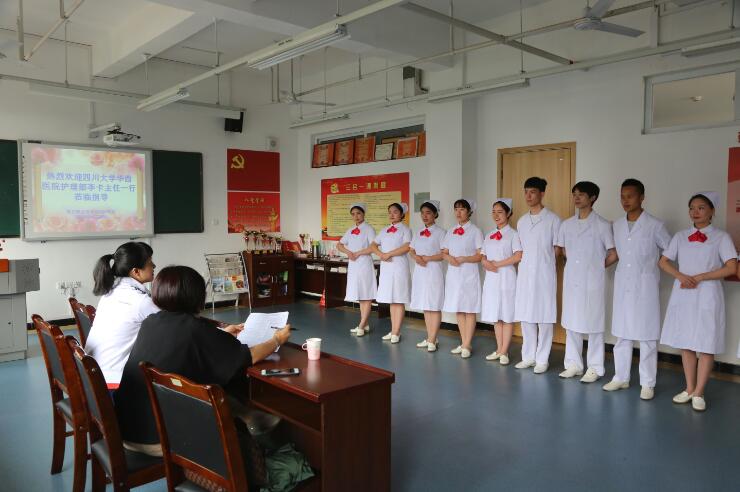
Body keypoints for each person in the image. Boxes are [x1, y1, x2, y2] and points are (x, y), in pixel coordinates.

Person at [114, 266, 292, 486]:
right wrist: (277, 339)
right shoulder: (194, 329)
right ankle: (250, 434)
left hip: (128, 429)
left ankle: (248, 416)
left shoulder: (152, 321)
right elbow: (249, 356)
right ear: (197, 296)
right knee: (221, 390)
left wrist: (221, 334)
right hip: (159, 439)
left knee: (212, 387)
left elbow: (183, 344)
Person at [658, 192, 737, 412]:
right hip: (684, 292)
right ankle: (689, 388)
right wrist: (680, 276)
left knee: (706, 342)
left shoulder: (721, 237)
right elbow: (663, 262)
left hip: (708, 293)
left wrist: (701, 276)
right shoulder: (681, 236)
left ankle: (699, 392)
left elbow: (731, 267)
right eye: (692, 207)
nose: (695, 212)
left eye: (701, 207)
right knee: (686, 342)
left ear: (712, 211)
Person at [603, 179, 671, 400]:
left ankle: (647, 383)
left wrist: (651, 266)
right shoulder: (617, 225)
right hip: (624, 283)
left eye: (630, 196)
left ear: (642, 197)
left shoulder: (655, 225)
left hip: (645, 285)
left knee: (647, 335)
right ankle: (620, 377)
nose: (625, 200)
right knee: (622, 333)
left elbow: (670, 250)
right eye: (622, 196)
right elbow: (615, 252)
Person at [557, 181, 617, 383]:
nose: (576, 197)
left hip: (592, 282)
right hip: (572, 279)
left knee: (594, 323)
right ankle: (573, 364)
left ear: (593, 198)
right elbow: (564, 249)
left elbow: (613, 253)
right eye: (574, 194)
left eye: (581, 194)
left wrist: (596, 267)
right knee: (571, 322)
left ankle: (595, 367)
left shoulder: (602, 225)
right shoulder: (566, 225)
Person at [85, 242, 159, 389]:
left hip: (93, 377)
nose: (154, 266)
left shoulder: (112, 290)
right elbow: (172, 325)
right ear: (136, 271)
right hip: (112, 384)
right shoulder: (139, 301)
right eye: (150, 263)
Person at [514, 177, 562, 374]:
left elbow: (557, 248)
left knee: (544, 316)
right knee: (526, 315)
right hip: (525, 273)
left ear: (542, 194)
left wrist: (545, 263)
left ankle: (542, 359)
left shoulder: (553, 220)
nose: (528, 196)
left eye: (532, 192)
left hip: (544, 273)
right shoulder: (522, 221)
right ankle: (528, 357)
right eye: (526, 192)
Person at [481, 199, 522, 365]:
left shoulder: (514, 234)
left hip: (507, 277)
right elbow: (483, 256)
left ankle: (505, 351)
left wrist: (496, 264)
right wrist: (485, 263)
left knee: (507, 315)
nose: (496, 215)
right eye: (494, 212)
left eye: (500, 212)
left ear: (508, 213)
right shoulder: (489, 235)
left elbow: (518, 256)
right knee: (496, 315)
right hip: (491, 279)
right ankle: (499, 349)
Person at [442, 198, 483, 358]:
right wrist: (449, 258)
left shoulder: (475, 231)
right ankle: (464, 342)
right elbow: (444, 252)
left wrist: (465, 258)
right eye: (456, 209)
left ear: (469, 212)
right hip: (454, 274)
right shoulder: (451, 231)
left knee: (469, 308)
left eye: (462, 209)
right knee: (458, 307)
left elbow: (480, 255)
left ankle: (467, 344)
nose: (458, 212)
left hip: (469, 274)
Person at [372, 203, 412, 343]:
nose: (392, 214)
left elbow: (407, 247)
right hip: (387, 267)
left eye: (395, 212)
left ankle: (397, 332)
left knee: (398, 299)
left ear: (402, 214)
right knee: (391, 299)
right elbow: (373, 245)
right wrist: (381, 254)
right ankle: (393, 330)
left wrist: (389, 254)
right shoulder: (384, 230)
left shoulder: (405, 229)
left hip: (399, 266)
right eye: (390, 212)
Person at [409, 200, 446, 352]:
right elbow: (411, 250)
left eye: (428, 213)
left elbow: (444, 254)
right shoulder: (418, 232)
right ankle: (431, 337)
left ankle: (432, 338)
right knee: (425, 304)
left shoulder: (441, 232)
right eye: (422, 213)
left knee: (434, 304)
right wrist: (416, 257)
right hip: (420, 271)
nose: (425, 216)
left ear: (435, 214)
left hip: (433, 270)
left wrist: (428, 258)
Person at [336, 203, 377, 337]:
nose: (356, 216)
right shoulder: (350, 230)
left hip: (364, 264)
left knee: (366, 295)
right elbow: (339, 245)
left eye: (358, 213)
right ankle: (365, 324)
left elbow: (373, 247)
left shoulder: (369, 229)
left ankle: (361, 325)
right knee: (360, 295)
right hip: (354, 265)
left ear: (363, 214)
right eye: (353, 214)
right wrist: (348, 252)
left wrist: (358, 253)